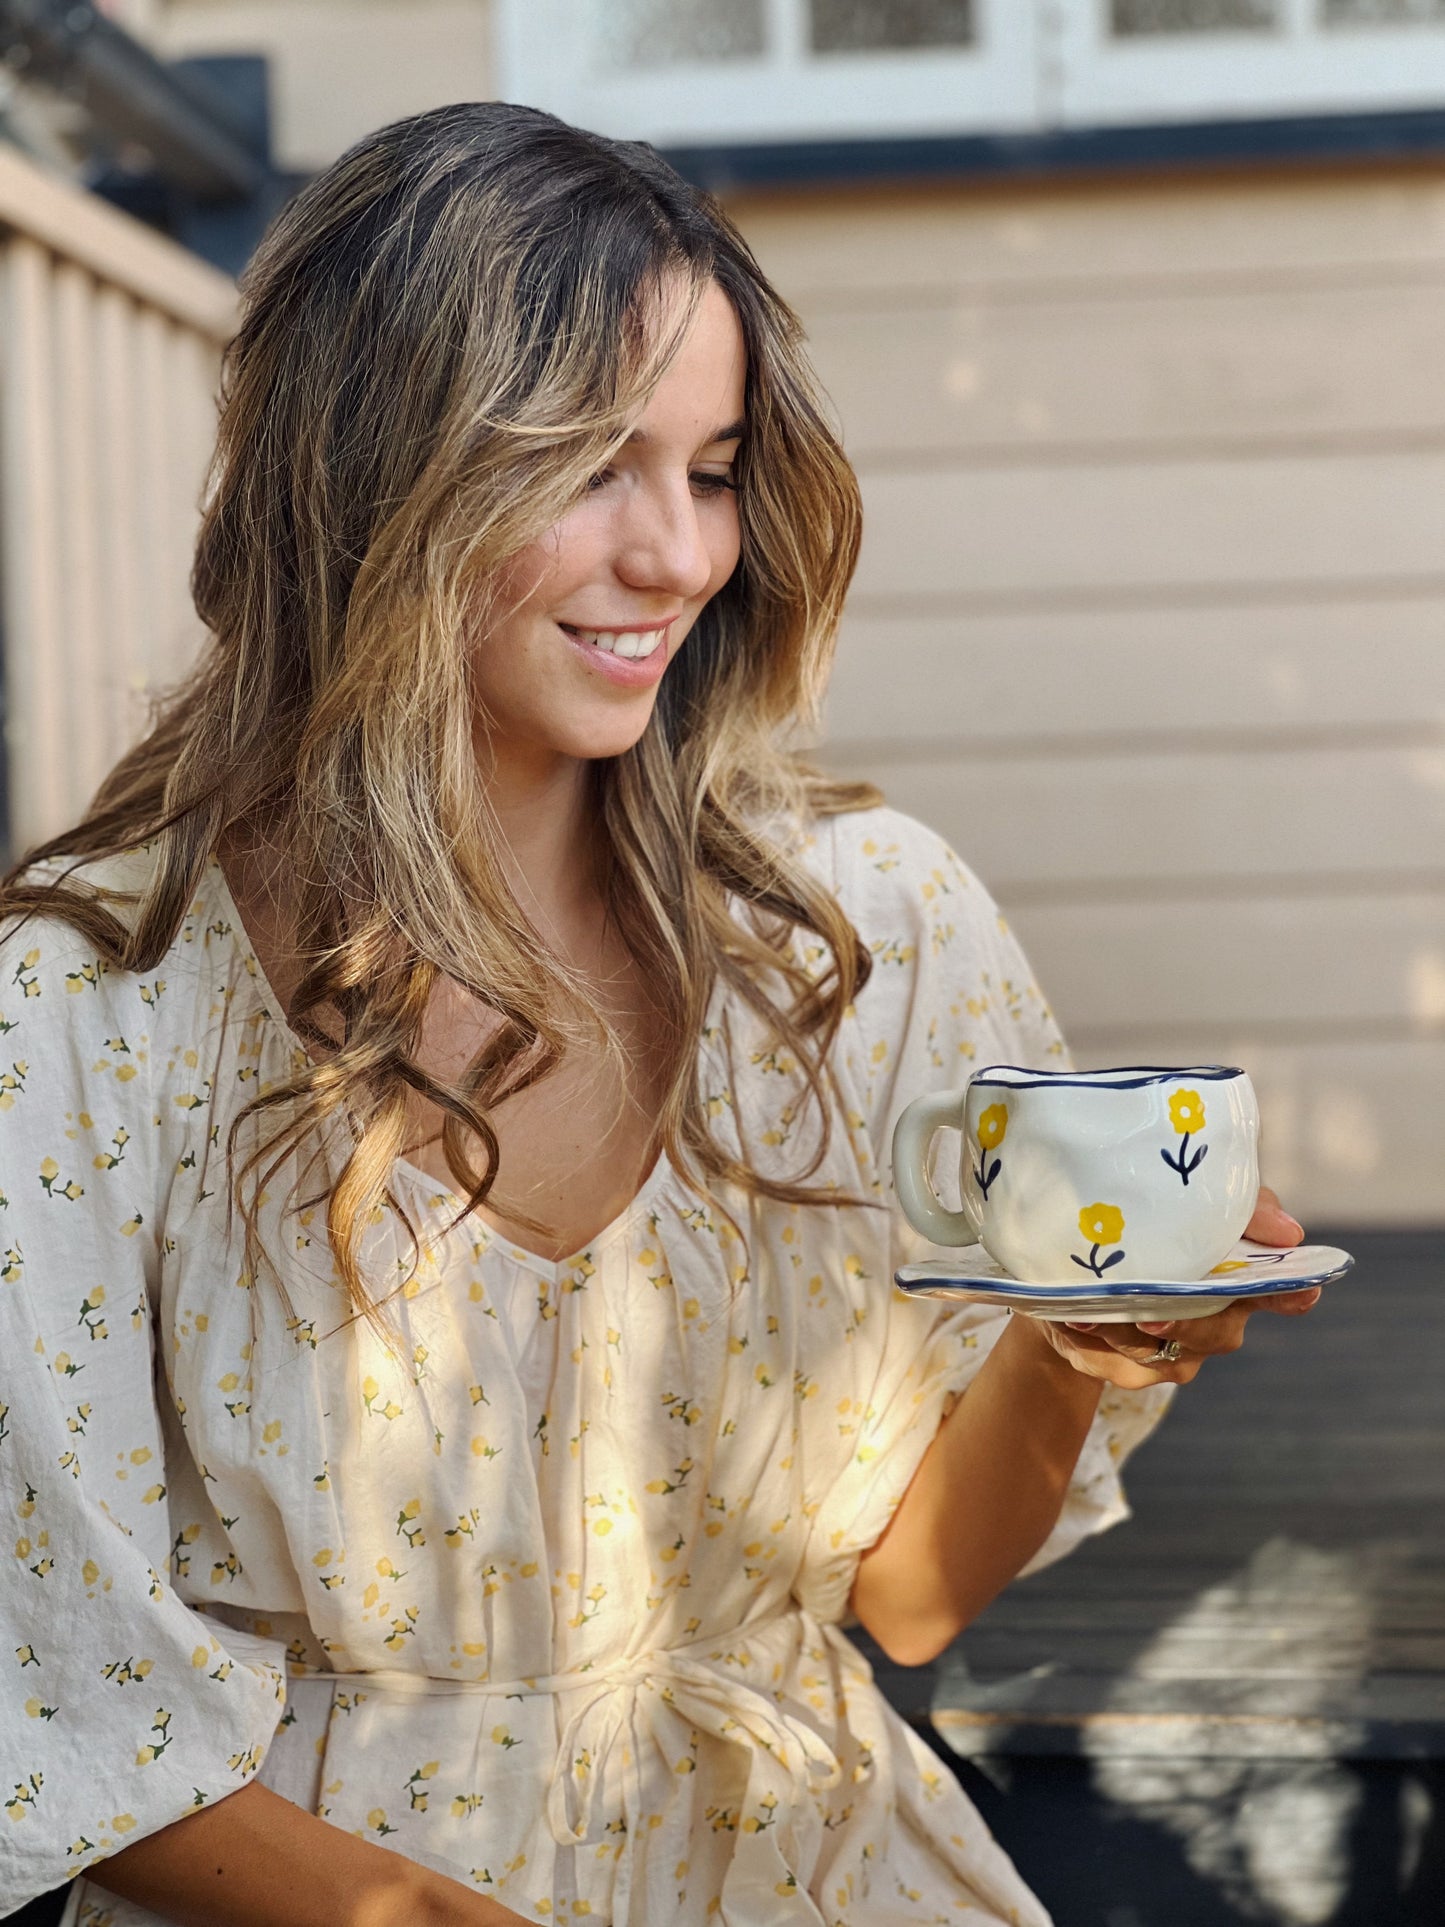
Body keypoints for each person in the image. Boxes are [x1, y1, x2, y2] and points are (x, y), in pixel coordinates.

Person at [0, 103, 1315, 1927]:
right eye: (591, 467)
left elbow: (910, 1602)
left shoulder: (867, 932)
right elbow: (59, 1714)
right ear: (373, 481)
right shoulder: (88, 1014)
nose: (682, 555)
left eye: (710, 468)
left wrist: (1081, 1347)